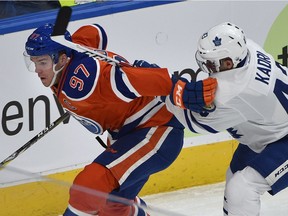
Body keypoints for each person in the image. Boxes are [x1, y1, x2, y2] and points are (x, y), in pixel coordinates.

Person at [23, 23, 217, 215]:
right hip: (127, 135)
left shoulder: (83, 83)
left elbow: (128, 80)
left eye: (42, 62)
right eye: (34, 62)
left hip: (156, 130)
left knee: (88, 187)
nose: (37, 70)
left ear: (63, 59)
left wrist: (179, 89)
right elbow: (95, 31)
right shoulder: (74, 48)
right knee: (113, 205)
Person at [164, 22, 288, 215]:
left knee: (242, 188)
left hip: (282, 137)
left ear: (228, 63)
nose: (207, 68)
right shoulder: (248, 50)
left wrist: (168, 94)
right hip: (271, 132)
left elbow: (194, 123)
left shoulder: (234, 91)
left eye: (211, 63)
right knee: (233, 179)